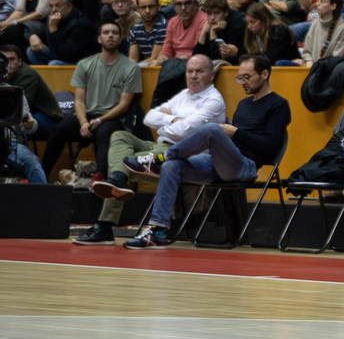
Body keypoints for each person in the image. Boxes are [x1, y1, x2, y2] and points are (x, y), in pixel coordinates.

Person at [122, 55, 291, 249]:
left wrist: (236, 132)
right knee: (171, 166)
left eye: (247, 77)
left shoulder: (278, 105)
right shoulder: (244, 104)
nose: (243, 82)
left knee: (210, 129)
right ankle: (157, 230)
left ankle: (160, 157)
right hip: (218, 161)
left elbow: (270, 148)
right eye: (240, 78)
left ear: (264, 74)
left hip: (245, 166)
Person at [78, 53, 226, 244]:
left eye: (200, 71)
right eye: (190, 71)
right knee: (120, 136)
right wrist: (174, 119)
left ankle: (105, 225)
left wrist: (165, 124)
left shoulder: (213, 101)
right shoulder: (183, 95)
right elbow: (149, 118)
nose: (193, 76)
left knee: (121, 163)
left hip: (184, 155)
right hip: (160, 145)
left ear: (211, 75)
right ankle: (119, 179)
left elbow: (184, 132)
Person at [39, 21, 140, 185]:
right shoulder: (84, 65)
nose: (110, 36)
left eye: (114, 33)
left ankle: (100, 178)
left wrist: (100, 120)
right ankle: (41, 176)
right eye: (106, 32)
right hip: (87, 116)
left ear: (120, 39)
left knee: (104, 133)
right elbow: (79, 101)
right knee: (59, 130)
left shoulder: (131, 67)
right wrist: (83, 122)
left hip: (114, 118)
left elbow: (124, 105)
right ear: (99, 39)